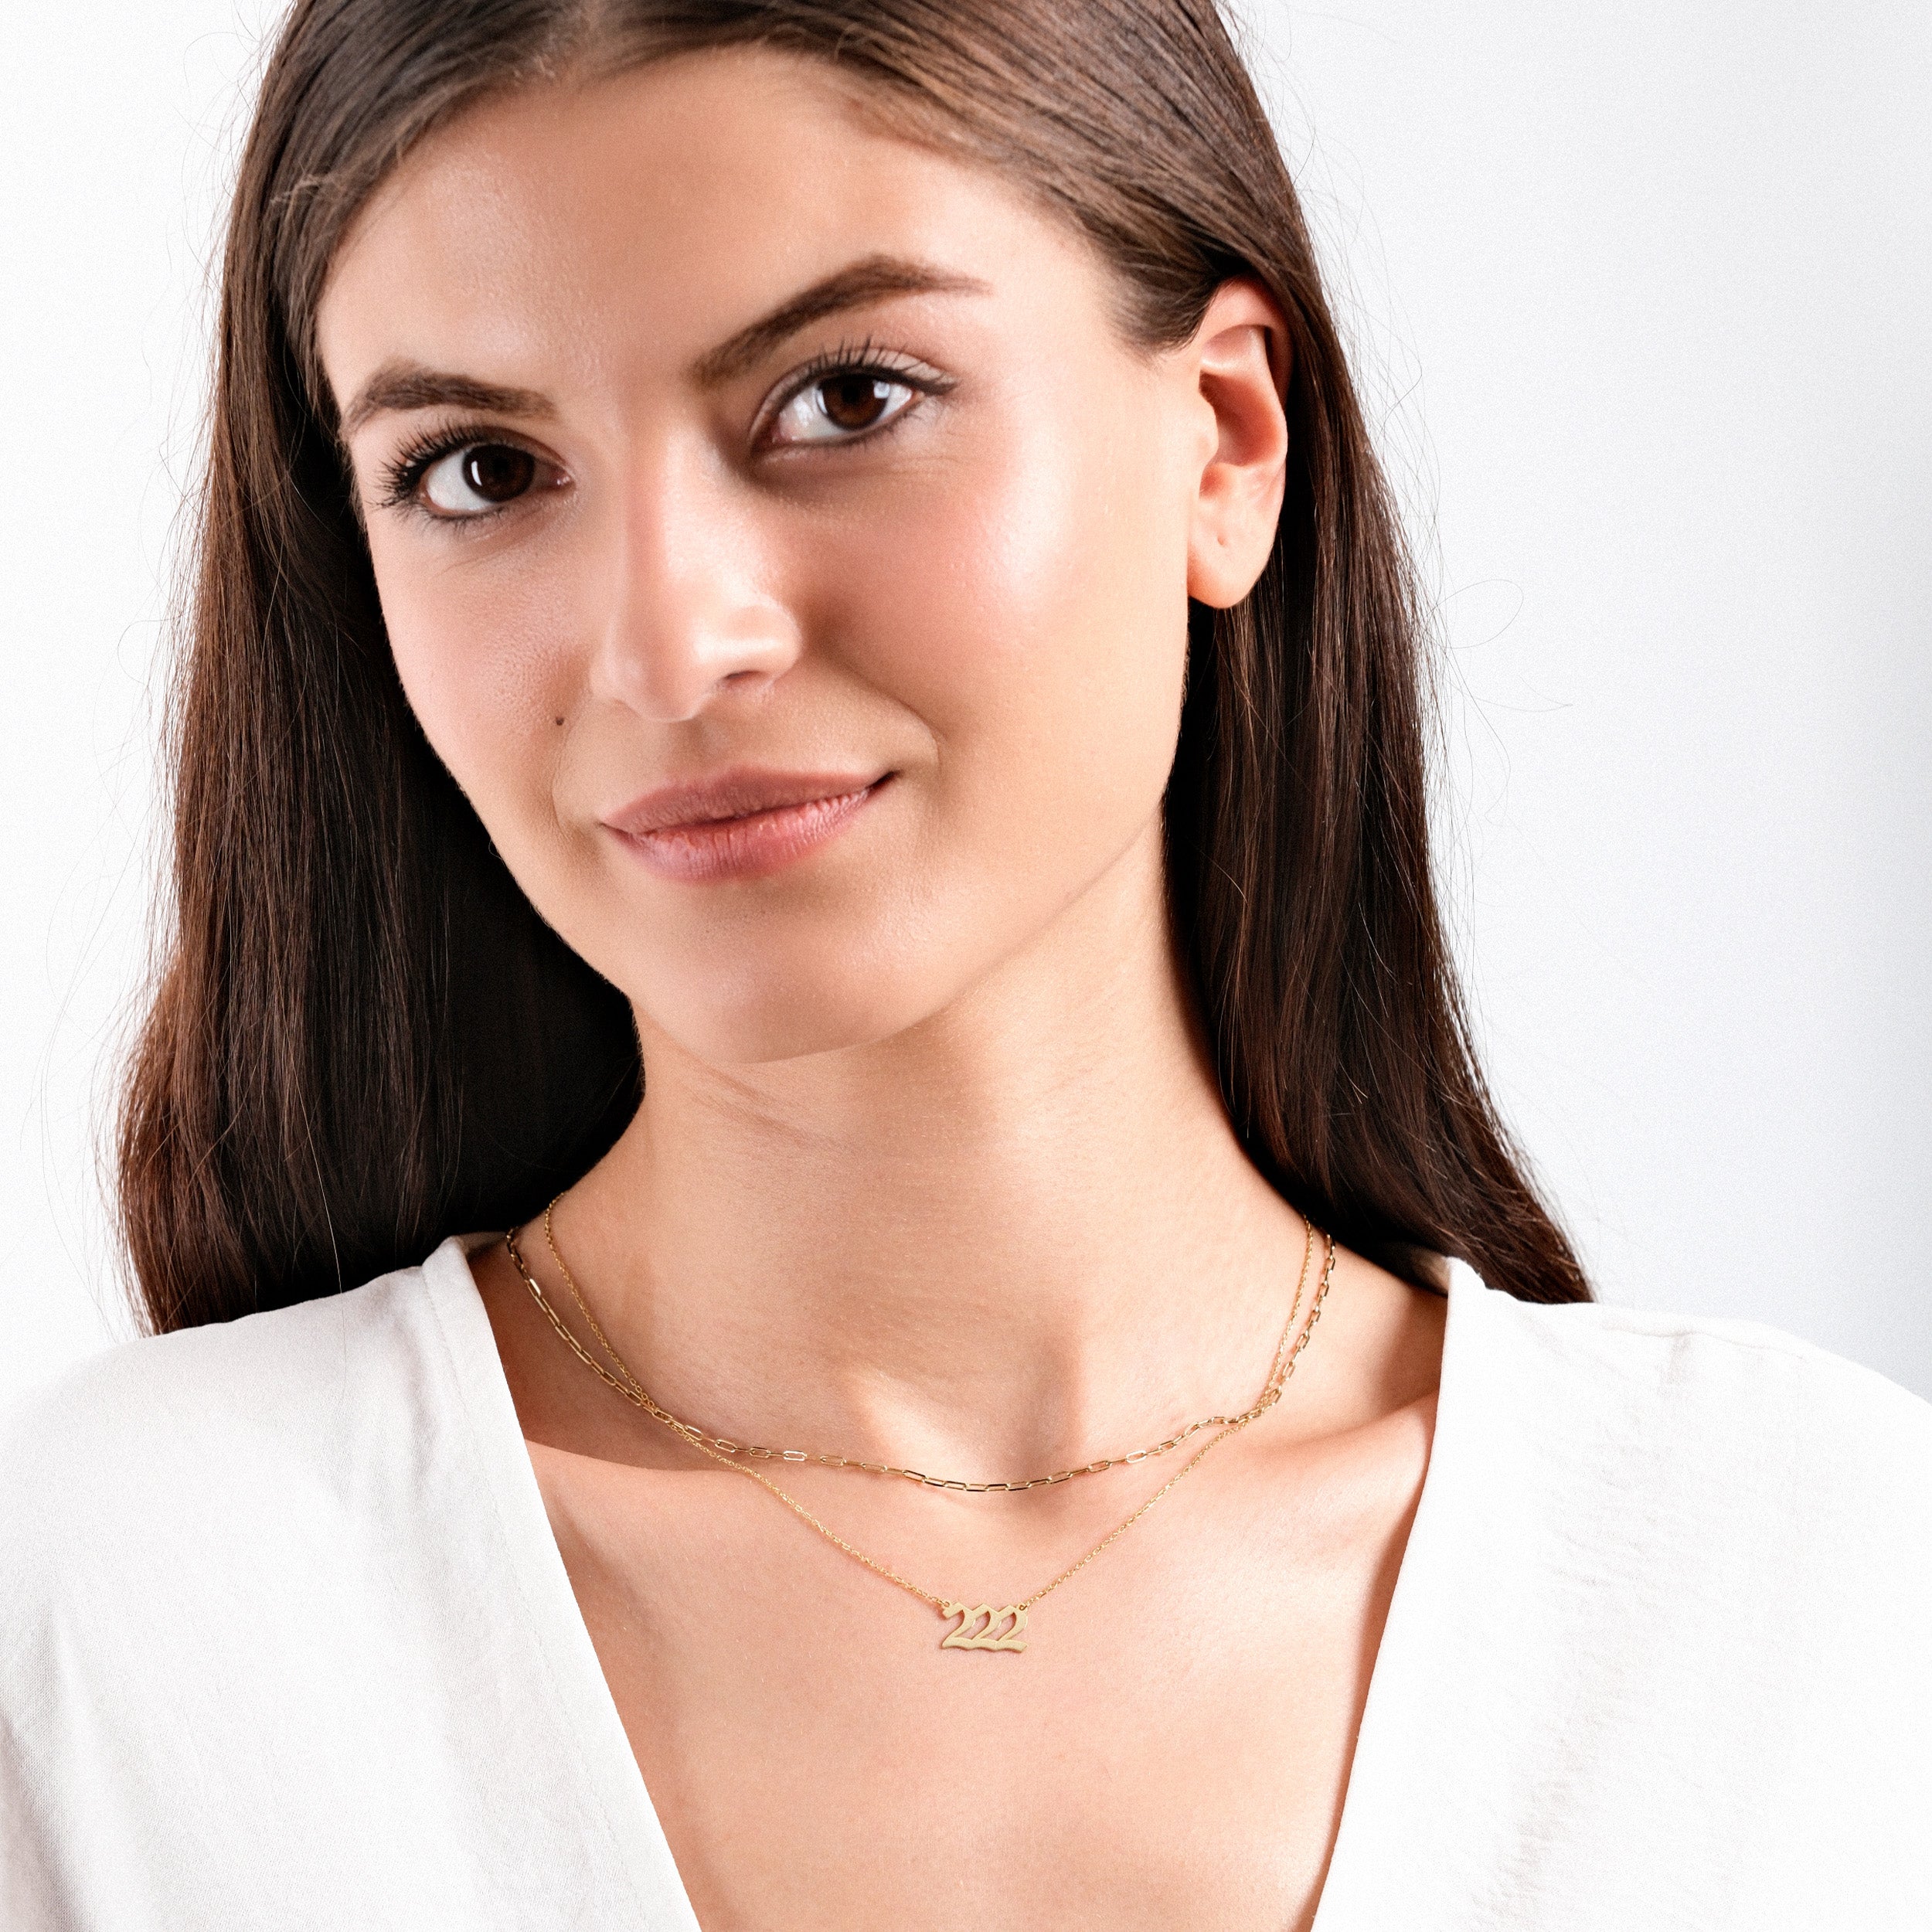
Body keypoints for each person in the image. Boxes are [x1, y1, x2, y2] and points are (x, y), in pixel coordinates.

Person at [2, 2, 1926, 1926]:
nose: (668, 647)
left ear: (1224, 443)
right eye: (482, 472)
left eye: (846, 397)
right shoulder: (115, 1615)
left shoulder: (1812, 1594)